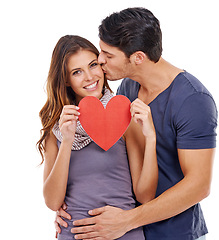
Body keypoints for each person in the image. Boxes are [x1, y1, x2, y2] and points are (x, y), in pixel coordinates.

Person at [55, 7, 218, 240]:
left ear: (138, 58)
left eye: (108, 55)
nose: (100, 61)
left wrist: (127, 220)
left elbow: (199, 185)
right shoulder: (128, 88)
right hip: (128, 232)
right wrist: (71, 206)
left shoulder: (193, 100)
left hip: (175, 233)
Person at [37, 35, 159, 240]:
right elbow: (52, 202)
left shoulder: (125, 115)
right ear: (66, 80)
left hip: (123, 234)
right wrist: (67, 141)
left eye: (93, 65)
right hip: (74, 234)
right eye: (77, 72)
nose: (89, 77)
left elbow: (145, 196)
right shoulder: (56, 129)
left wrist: (151, 138)